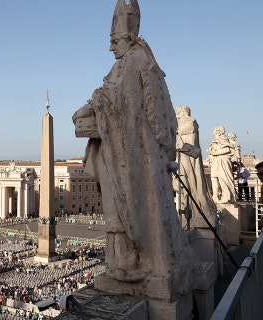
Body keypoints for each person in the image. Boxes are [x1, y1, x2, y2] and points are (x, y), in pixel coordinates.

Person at [71, 0, 197, 298]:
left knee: (134, 210)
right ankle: (121, 263)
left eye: (114, 41)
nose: (110, 47)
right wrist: (90, 109)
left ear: (128, 37)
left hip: (136, 156)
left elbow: (156, 113)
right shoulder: (122, 66)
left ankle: (133, 265)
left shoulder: (141, 64)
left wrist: (165, 147)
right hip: (117, 152)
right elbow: (104, 100)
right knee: (116, 209)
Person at [174, 105, 213, 226]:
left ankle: (193, 206)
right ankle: (186, 204)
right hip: (183, 156)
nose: (177, 114)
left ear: (183, 111)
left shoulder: (190, 122)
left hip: (187, 156)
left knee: (189, 180)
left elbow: (185, 136)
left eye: (178, 111)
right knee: (183, 180)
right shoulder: (186, 123)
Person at [207, 125, 236, 204]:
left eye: (215, 132)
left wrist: (215, 153)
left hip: (222, 161)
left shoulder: (224, 139)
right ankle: (215, 197)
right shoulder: (215, 140)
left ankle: (226, 196)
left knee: (223, 179)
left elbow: (227, 149)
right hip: (216, 161)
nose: (214, 134)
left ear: (218, 132)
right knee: (214, 178)